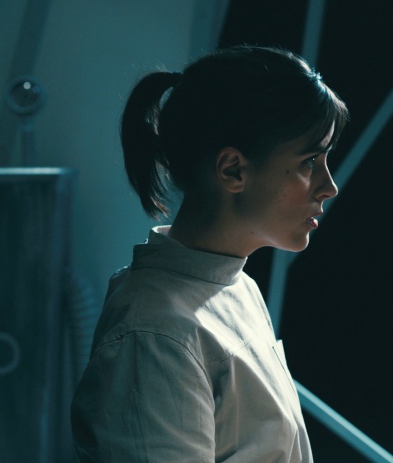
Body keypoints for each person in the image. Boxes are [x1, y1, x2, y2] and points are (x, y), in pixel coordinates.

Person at [70, 46, 348, 462]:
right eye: (310, 161)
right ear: (233, 169)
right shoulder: (155, 335)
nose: (329, 187)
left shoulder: (238, 287)